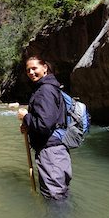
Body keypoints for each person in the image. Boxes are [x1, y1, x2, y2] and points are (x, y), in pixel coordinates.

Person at [18, 56, 72, 200]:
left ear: (45, 68)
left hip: (50, 152)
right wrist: (28, 126)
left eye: (34, 68)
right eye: (28, 70)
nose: (31, 72)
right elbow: (50, 120)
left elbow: (43, 125)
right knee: (59, 195)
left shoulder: (45, 90)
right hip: (56, 150)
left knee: (54, 198)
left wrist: (26, 117)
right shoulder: (51, 88)